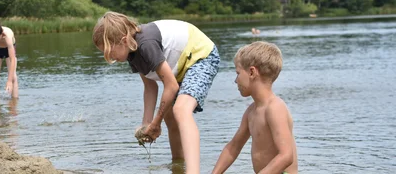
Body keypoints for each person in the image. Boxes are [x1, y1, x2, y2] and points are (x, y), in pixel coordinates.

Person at [92, 12, 220, 174]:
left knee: (181, 110)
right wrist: (147, 124)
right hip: (181, 65)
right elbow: (150, 87)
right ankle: (178, 166)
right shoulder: (132, 53)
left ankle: (192, 171)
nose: (110, 58)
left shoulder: (146, 45)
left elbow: (171, 86)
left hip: (202, 56)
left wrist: (156, 123)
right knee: (170, 115)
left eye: (110, 52)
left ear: (124, 40)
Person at [212, 41, 297, 174]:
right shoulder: (251, 111)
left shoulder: (275, 108)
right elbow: (233, 147)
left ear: (252, 72)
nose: (236, 80)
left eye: (238, 73)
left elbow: (286, 156)